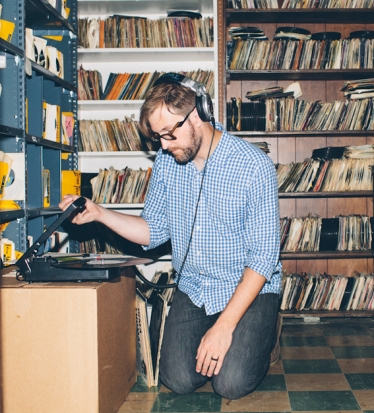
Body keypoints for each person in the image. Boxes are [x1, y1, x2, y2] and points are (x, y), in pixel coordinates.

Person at [59, 73, 282, 400]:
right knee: (177, 379)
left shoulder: (253, 165)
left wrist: (223, 328)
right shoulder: (167, 161)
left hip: (246, 289)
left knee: (229, 384)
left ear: (196, 115)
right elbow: (153, 230)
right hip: (194, 286)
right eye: (157, 137)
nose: (163, 145)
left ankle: (266, 333)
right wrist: (100, 213)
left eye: (168, 133)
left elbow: (263, 258)